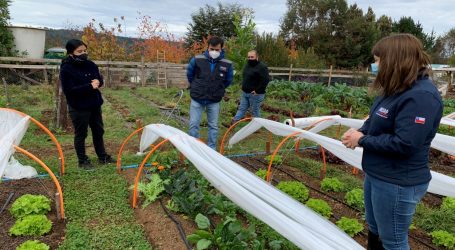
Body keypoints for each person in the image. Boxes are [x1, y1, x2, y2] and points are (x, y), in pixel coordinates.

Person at [341, 34, 443, 250]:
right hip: (378, 174)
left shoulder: (421, 97)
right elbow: (378, 120)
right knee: (375, 229)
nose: (374, 65)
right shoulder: (396, 89)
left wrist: (363, 140)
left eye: (378, 60)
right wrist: (361, 131)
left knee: (393, 241)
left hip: (397, 182)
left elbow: (405, 143)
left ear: (394, 60)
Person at [60, 39, 115, 169]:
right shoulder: (67, 68)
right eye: (79, 51)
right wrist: (89, 86)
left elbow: (99, 80)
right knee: (81, 134)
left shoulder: (90, 64)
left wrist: (98, 81)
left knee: (98, 131)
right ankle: (83, 160)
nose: (83, 53)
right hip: (79, 106)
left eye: (85, 51)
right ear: (70, 53)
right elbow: (69, 91)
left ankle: (102, 156)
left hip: (94, 104)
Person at [186, 36, 234, 150]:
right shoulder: (197, 59)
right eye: (212, 49)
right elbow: (190, 75)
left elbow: (228, 80)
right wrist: (196, 86)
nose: (214, 52)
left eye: (217, 50)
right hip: (197, 98)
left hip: (214, 100)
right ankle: (194, 148)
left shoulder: (227, 64)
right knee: (193, 124)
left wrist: (218, 89)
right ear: (207, 48)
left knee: (213, 126)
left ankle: (211, 149)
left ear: (221, 49)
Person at [231, 50, 269, 124]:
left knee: (254, 111)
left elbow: (265, 80)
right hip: (245, 93)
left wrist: (258, 90)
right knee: (241, 108)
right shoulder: (247, 65)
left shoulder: (262, 67)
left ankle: (256, 126)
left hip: (255, 94)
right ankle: (233, 123)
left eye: (252, 57)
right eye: (249, 57)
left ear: (257, 57)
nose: (250, 59)